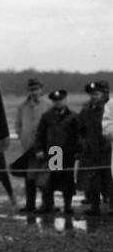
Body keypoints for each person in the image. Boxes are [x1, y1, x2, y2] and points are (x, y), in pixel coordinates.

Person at [33, 89, 77, 215]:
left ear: (65, 100)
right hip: (53, 153)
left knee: (67, 181)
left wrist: (78, 151)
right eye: (55, 101)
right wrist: (39, 150)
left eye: (60, 100)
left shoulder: (73, 117)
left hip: (68, 154)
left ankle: (68, 206)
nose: (58, 103)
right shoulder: (47, 116)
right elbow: (39, 135)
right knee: (50, 180)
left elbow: (79, 135)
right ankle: (48, 205)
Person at [74, 79, 112, 216]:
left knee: (109, 180)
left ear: (104, 94)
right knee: (92, 181)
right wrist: (82, 143)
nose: (93, 97)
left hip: (108, 152)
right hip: (90, 152)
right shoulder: (86, 111)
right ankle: (94, 207)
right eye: (91, 94)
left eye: (96, 93)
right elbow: (80, 130)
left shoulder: (110, 109)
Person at [15, 77, 46, 214]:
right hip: (27, 148)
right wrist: (22, 136)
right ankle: (30, 204)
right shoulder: (23, 106)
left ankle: (47, 204)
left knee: (45, 177)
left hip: (44, 148)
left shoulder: (48, 104)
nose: (34, 92)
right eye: (32, 89)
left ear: (41, 90)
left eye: (37, 89)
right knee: (29, 177)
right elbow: (18, 124)